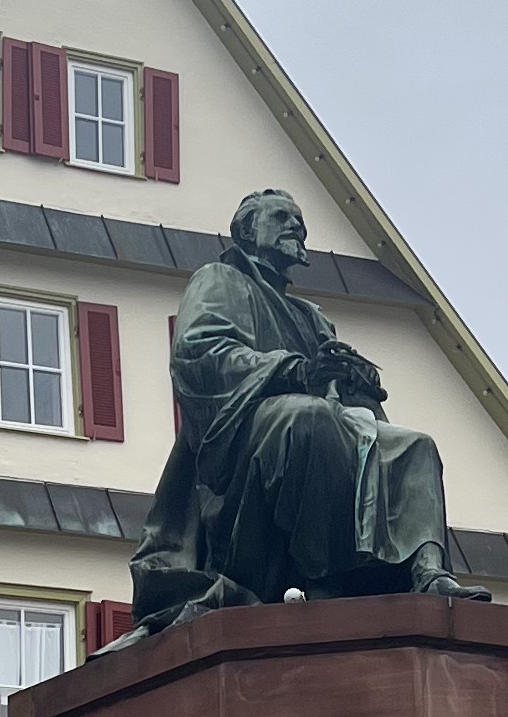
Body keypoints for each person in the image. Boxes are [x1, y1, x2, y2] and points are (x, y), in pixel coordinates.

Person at [132, 188, 480, 627]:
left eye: (300, 219)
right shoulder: (218, 280)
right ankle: (319, 579)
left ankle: (428, 573)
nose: (297, 226)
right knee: (305, 417)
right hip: (242, 454)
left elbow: (332, 387)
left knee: (413, 446)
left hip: (321, 431)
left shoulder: (312, 316)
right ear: (245, 231)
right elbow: (198, 355)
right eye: (282, 217)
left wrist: (355, 383)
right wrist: (294, 372)